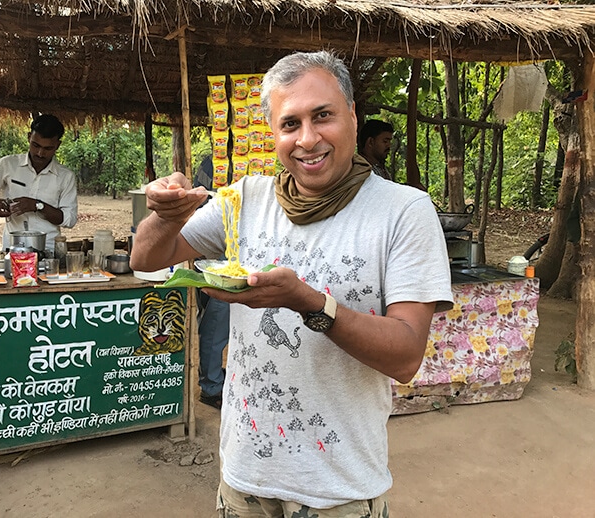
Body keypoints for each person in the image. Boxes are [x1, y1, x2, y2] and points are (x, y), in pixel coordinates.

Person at [131, 51, 452, 516]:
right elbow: (146, 257)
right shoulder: (246, 199)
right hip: (245, 478)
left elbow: (405, 357)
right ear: (274, 134)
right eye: (290, 124)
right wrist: (166, 213)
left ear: (352, 117)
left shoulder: (404, 211)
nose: (307, 139)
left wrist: (308, 302)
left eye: (323, 116)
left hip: (339, 489)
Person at [0, 114, 78, 252]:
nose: (40, 153)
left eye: (47, 149)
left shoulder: (66, 176)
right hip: (11, 248)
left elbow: (69, 219)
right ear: (29, 137)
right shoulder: (8, 165)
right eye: (35, 145)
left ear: (57, 145)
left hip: (48, 251)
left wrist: (36, 205)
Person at [194, 154, 230, 409]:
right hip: (215, 256)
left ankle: (215, 377)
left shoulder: (259, 157)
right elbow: (200, 207)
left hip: (238, 253)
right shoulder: (212, 164)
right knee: (215, 322)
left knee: (221, 323)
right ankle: (211, 386)